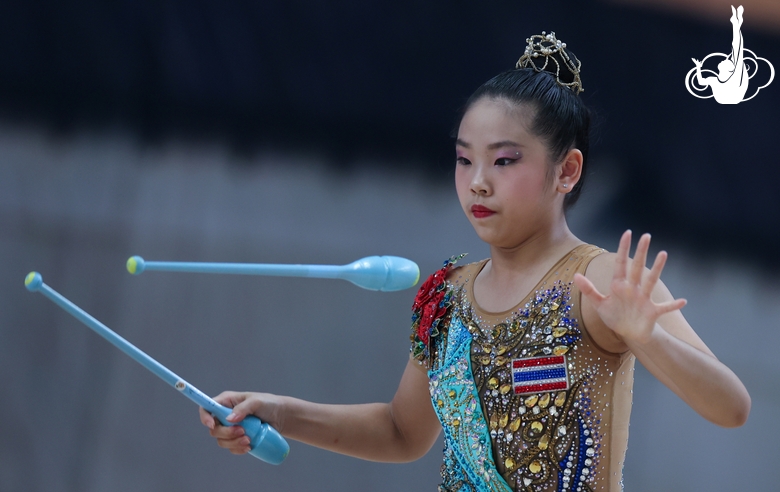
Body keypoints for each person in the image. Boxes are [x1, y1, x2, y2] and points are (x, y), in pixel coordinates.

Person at [199, 31, 750, 491]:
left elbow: (731, 406)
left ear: (568, 171)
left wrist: (647, 338)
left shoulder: (600, 280)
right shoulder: (446, 295)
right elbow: (400, 431)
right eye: (464, 160)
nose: (478, 182)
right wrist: (280, 411)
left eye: (504, 160)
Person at [692, 5, 748, 104]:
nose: (725, 59)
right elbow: (701, 82)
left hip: (733, 96)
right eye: (728, 60)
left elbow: (737, 49)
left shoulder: (733, 78)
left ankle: (736, 24)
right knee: (737, 51)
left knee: (737, 50)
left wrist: (736, 26)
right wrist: (698, 67)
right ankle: (736, 24)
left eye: (727, 61)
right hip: (729, 98)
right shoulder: (715, 80)